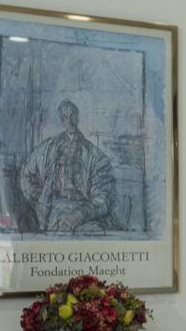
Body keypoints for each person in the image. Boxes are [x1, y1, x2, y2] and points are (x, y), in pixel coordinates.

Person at [19, 99, 116, 234]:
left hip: (84, 214)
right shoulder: (48, 148)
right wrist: (38, 198)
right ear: (61, 120)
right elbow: (26, 174)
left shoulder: (95, 156)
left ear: (77, 116)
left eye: (72, 115)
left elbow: (103, 198)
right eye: (65, 117)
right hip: (52, 212)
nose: (69, 120)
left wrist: (79, 215)